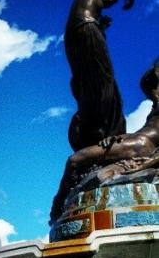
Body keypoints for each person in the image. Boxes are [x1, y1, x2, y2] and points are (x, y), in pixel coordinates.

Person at [51, 61, 159, 223]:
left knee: (75, 160)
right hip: (137, 141)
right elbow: (145, 131)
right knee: (75, 160)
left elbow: (147, 136)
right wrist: (121, 138)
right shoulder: (155, 107)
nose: (154, 92)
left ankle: (58, 205)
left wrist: (151, 160)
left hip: (140, 145)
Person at [65, 0, 135, 151]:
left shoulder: (93, 17)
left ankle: (95, 128)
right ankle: (108, 129)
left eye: (114, 0)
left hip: (76, 35)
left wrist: (101, 29)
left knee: (90, 82)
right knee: (104, 80)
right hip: (85, 28)